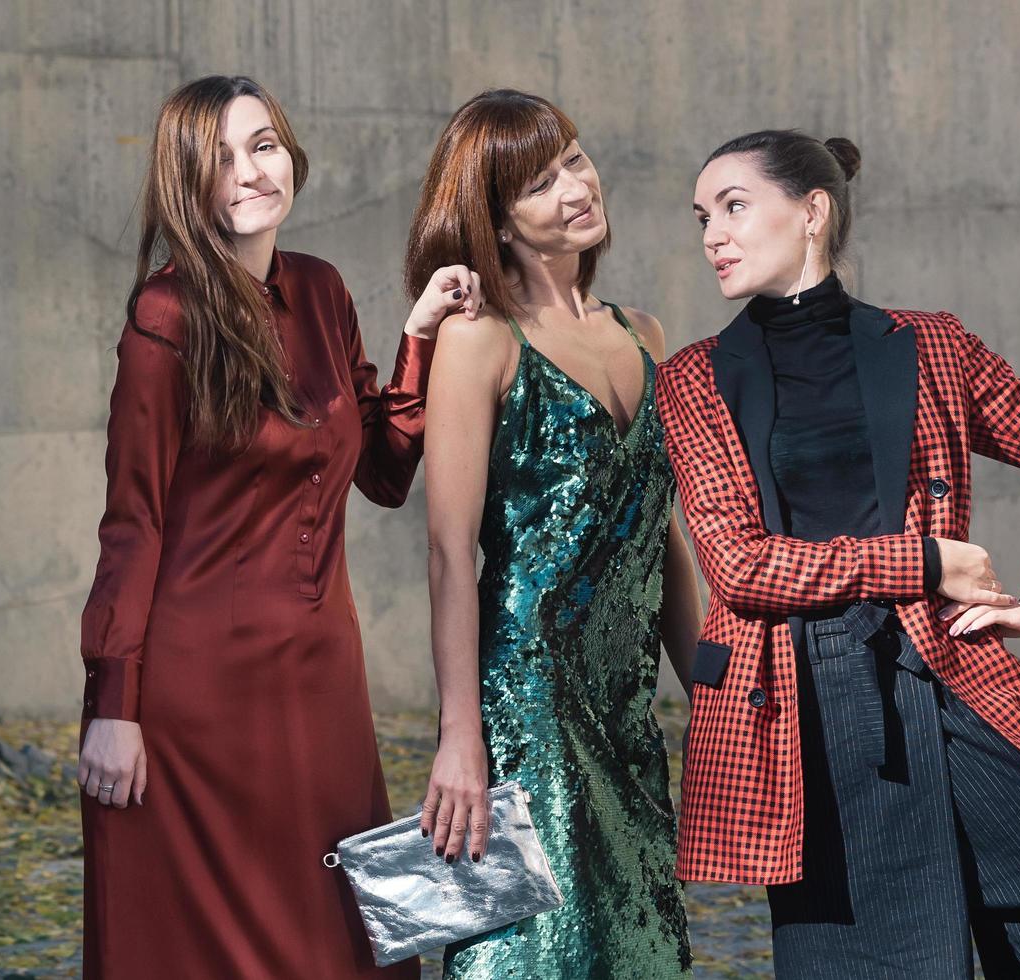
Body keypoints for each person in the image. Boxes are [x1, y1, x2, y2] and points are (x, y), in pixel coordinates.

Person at [657, 128, 1020, 979]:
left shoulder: (931, 344)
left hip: (951, 672)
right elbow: (741, 568)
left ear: (812, 212)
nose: (711, 235)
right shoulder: (692, 377)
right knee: (880, 963)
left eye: (733, 207)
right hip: (805, 699)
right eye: (700, 218)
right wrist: (927, 561)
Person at [75, 74, 482, 979]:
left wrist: (417, 335)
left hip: (320, 677)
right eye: (220, 158)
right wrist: (115, 702)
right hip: (190, 691)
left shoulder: (325, 290)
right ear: (188, 182)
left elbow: (380, 470)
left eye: (262, 145)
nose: (251, 172)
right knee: (195, 947)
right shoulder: (165, 313)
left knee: (336, 935)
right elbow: (132, 521)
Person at [408, 89, 701, 978]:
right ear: (495, 223)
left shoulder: (644, 334)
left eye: (574, 158)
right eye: (539, 183)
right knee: (536, 957)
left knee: (639, 948)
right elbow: (451, 551)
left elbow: (662, 535)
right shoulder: (478, 341)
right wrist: (462, 736)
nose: (575, 187)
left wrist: (714, 693)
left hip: (625, 707)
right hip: (527, 703)